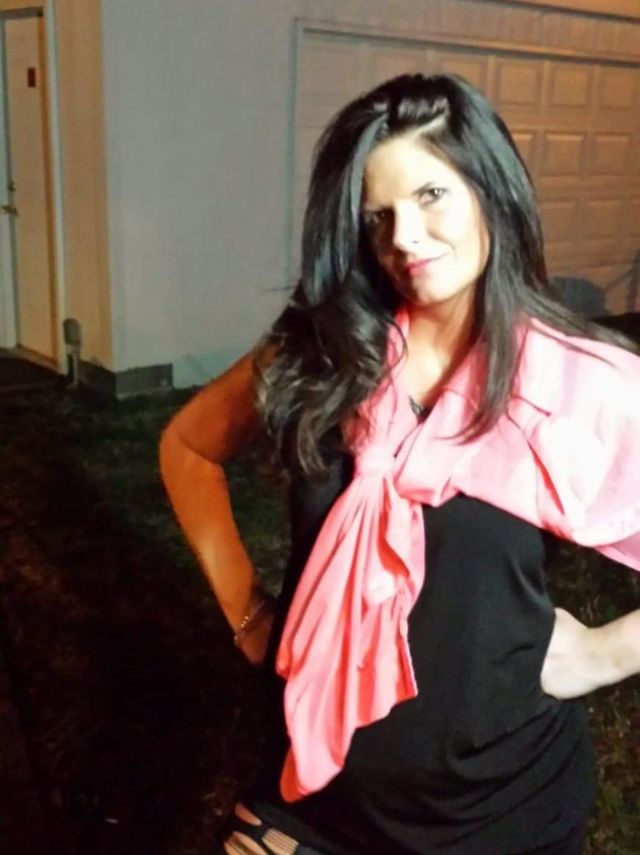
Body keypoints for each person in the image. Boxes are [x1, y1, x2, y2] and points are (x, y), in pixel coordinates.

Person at [159, 73, 640, 854]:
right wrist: (248, 614)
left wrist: (598, 653)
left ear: (491, 191)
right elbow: (187, 447)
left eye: (431, 195)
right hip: (314, 785)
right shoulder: (326, 348)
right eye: (376, 215)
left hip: (499, 809)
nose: (404, 237)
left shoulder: (575, 384)